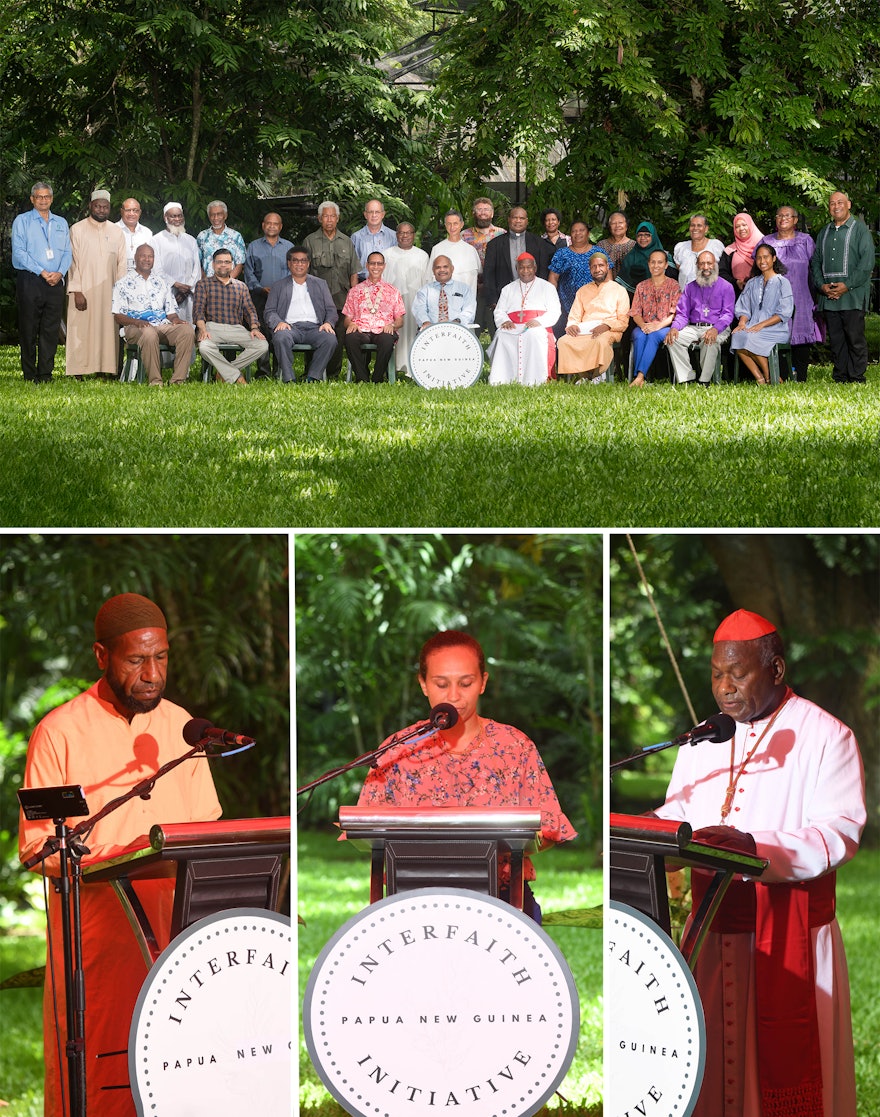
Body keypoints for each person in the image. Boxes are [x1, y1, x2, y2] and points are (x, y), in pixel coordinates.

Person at [653, 608, 865, 1117]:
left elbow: (837, 831)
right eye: (716, 673)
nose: (725, 687)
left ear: (775, 670)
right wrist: (643, 829)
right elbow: (677, 811)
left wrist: (753, 847)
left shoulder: (826, 735)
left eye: (738, 672)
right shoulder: (703, 737)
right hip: (710, 927)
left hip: (788, 933)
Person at [19, 593, 223, 1117]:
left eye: (161, 658)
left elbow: (206, 836)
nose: (152, 674)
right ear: (101, 656)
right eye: (136, 660)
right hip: (98, 944)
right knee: (98, 1074)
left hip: (176, 941)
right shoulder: (59, 732)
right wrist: (113, 856)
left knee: (175, 1074)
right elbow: (37, 846)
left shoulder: (185, 730)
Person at [356, 630, 576, 923]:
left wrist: (502, 845)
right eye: (441, 684)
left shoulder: (515, 746)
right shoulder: (397, 750)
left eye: (465, 683)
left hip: (504, 901)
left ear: (483, 682)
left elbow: (549, 829)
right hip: (411, 902)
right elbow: (364, 828)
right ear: (423, 684)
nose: (454, 696)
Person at [810, 191, 874, 385]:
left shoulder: (860, 230)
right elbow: (816, 262)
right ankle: (840, 376)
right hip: (829, 296)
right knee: (836, 340)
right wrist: (822, 286)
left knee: (854, 338)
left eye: (840, 202)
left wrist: (846, 286)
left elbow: (867, 262)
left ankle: (856, 377)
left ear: (849, 205)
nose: (836, 206)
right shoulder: (824, 231)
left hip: (852, 295)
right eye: (832, 203)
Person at [11, 181, 71, 383]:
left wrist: (60, 273)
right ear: (32, 199)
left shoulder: (61, 223)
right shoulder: (22, 221)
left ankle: (45, 374)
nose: (43, 200)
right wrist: (43, 271)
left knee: (50, 329)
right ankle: (29, 374)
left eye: (47, 197)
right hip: (31, 280)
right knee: (28, 328)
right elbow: (19, 252)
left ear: (52, 199)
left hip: (56, 282)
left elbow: (68, 252)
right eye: (39, 197)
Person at [112, 244, 195, 385]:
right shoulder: (123, 283)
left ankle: (177, 380)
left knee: (187, 330)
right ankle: (156, 381)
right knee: (149, 333)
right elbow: (117, 315)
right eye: (143, 256)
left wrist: (176, 320)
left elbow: (170, 312)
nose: (147, 259)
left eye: (150, 256)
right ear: (136, 258)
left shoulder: (162, 282)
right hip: (134, 327)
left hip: (161, 326)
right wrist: (137, 322)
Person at [66, 190, 128, 378]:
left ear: (110, 209)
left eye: (105, 207)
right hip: (83, 290)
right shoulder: (77, 229)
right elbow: (72, 262)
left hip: (109, 291)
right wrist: (76, 290)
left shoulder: (117, 231)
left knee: (107, 331)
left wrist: (120, 294)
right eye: (97, 206)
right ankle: (78, 370)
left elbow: (122, 264)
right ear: (90, 206)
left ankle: (105, 369)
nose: (101, 210)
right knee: (81, 330)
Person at [756, 205, 822, 381]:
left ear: (795, 220)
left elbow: (815, 268)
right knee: (776, 333)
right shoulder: (766, 242)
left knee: (801, 333)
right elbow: (758, 268)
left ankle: (801, 376)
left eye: (787, 215)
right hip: (774, 297)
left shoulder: (805, 240)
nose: (783, 218)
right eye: (779, 215)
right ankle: (781, 375)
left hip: (801, 295)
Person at [303, 201, 360, 380]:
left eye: (332, 216)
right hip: (316, 299)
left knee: (338, 338)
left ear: (338, 218)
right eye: (325, 216)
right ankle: (311, 373)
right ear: (320, 219)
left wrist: (354, 298)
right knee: (314, 334)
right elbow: (301, 270)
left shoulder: (347, 242)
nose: (329, 220)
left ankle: (333, 374)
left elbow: (353, 272)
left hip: (341, 298)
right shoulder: (310, 241)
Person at [193, 249, 268, 384]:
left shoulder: (241, 286)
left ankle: (224, 373)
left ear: (232, 264)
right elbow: (198, 311)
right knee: (204, 347)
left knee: (262, 345)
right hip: (212, 327)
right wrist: (202, 330)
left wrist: (255, 328)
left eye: (227, 262)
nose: (223, 265)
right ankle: (236, 376)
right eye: (219, 262)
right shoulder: (203, 284)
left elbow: (250, 310)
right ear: (213, 264)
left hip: (236, 328)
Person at [264, 246, 338, 383]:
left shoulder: (320, 284)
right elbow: (269, 311)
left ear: (308, 263)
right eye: (295, 261)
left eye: (303, 261)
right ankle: (289, 378)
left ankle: (313, 377)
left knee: (330, 339)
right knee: (280, 338)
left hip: (315, 328)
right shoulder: (278, 286)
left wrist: (328, 323)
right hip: (290, 328)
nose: (299, 264)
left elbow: (331, 309)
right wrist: (278, 322)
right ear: (289, 263)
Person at [487, 252, 561, 386]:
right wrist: (504, 321)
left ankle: (536, 379)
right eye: (521, 268)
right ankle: (502, 379)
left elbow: (555, 311)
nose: (525, 271)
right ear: (517, 269)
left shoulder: (547, 287)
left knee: (534, 334)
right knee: (502, 335)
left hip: (537, 327)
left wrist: (539, 321)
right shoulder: (508, 289)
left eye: (529, 267)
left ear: (535, 268)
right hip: (513, 326)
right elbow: (499, 310)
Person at [556, 250, 630, 382]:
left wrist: (606, 326)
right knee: (564, 341)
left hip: (610, 329)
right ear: (590, 269)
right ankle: (584, 377)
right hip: (585, 330)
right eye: (594, 266)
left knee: (600, 341)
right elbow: (574, 315)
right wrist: (572, 325)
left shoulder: (619, 290)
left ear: (607, 267)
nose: (598, 269)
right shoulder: (583, 290)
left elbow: (623, 321)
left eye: (601, 265)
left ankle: (597, 376)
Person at [665, 251, 735, 385]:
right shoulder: (690, 287)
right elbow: (682, 314)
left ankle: (704, 381)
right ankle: (687, 378)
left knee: (710, 340)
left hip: (718, 327)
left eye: (709, 263)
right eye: (702, 263)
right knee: (672, 339)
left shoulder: (726, 286)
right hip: (694, 327)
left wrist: (716, 329)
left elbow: (728, 314)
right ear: (697, 265)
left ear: (715, 265)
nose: (706, 267)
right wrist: (674, 328)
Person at [729, 245, 794, 384]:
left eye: (766, 257)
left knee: (751, 338)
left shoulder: (783, 282)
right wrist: (742, 323)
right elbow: (744, 307)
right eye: (758, 257)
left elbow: (785, 312)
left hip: (776, 329)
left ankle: (770, 376)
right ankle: (760, 378)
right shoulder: (752, 283)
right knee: (737, 336)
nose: (762, 261)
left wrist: (762, 325)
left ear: (774, 258)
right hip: (753, 327)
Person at [341, 252, 405, 383]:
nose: (376, 266)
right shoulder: (355, 290)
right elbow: (347, 318)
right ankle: (362, 377)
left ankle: (377, 377)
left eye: (379, 263)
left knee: (387, 340)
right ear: (367, 265)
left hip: (383, 329)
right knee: (350, 337)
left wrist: (392, 325)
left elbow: (400, 319)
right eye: (372, 263)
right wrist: (351, 324)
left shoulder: (393, 291)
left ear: (384, 266)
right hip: (361, 329)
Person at [244, 213, 294, 377]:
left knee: (280, 330)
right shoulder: (253, 246)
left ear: (280, 226)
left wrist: (281, 290)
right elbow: (249, 272)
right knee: (261, 332)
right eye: (268, 223)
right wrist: (259, 288)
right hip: (259, 296)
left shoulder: (288, 247)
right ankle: (263, 371)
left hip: (283, 297)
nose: (272, 226)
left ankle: (279, 369)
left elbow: (293, 271)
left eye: (275, 224)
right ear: (263, 225)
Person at [483, 206, 553, 314]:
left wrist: (542, 295)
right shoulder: (495, 244)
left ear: (527, 221)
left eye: (522, 218)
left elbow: (543, 271)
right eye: (515, 217)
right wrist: (493, 300)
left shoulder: (539, 243)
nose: (518, 221)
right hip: (504, 299)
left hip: (534, 298)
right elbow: (489, 274)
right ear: (509, 219)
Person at [382, 222, 431, 374]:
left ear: (413, 235)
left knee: (411, 331)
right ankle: (393, 366)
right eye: (401, 233)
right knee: (395, 332)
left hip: (414, 300)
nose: (404, 236)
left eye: (408, 233)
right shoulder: (386, 254)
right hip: (392, 303)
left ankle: (412, 366)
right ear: (396, 235)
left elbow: (426, 282)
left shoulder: (422, 255)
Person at [629, 249, 681, 386]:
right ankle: (641, 378)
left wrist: (658, 326)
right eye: (653, 262)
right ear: (648, 264)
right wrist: (643, 326)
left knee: (653, 336)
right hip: (644, 325)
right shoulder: (641, 286)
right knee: (639, 336)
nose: (656, 265)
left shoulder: (674, 285)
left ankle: (639, 377)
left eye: (660, 262)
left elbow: (674, 313)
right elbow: (635, 312)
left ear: (666, 265)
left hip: (664, 326)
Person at [547, 220, 600, 339]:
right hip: (566, 305)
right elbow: (553, 278)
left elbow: (607, 280)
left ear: (588, 233)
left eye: (581, 230)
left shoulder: (598, 252)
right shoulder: (562, 253)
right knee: (567, 339)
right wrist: (552, 300)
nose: (578, 233)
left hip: (593, 305)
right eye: (574, 231)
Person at [149, 203, 201, 323]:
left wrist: (187, 290)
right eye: (173, 216)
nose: (177, 219)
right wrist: (176, 285)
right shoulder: (156, 240)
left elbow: (196, 268)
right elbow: (156, 269)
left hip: (188, 295)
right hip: (167, 292)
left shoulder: (191, 240)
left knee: (189, 328)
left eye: (180, 216)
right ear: (165, 218)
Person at [462, 197, 505, 337]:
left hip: (496, 287)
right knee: (472, 326)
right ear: (474, 213)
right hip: (472, 288)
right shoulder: (464, 235)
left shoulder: (502, 234)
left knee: (497, 328)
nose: (483, 213)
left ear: (492, 213)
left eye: (486, 209)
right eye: (479, 210)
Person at [426, 210, 482, 296]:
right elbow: (429, 278)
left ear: (462, 224)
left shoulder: (471, 250)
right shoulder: (437, 249)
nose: (452, 227)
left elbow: (479, 275)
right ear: (445, 225)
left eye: (455, 223)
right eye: (449, 224)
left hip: (467, 304)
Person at [412, 255, 477, 329]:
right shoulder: (424, 290)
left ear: (452, 268)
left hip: (458, 331)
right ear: (433, 270)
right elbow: (419, 309)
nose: (442, 270)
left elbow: (469, 310)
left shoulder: (464, 289)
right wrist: (426, 322)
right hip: (431, 331)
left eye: (445, 266)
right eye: (438, 267)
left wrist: (457, 321)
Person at [673, 214, 725, 290]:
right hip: (685, 297)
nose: (695, 228)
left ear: (706, 228)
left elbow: (723, 271)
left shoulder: (716, 246)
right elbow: (679, 270)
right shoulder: (681, 248)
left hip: (710, 295)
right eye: (692, 225)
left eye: (699, 225)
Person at [196, 201, 245, 279]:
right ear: (209, 217)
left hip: (230, 286)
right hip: (208, 286)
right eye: (212, 215)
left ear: (225, 216)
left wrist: (226, 282)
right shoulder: (202, 236)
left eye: (219, 214)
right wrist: (206, 282)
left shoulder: (236, 236)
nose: (215, 218)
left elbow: (240, 264)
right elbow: (197, 263)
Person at [617, 221, 668, 294]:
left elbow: (672, 280)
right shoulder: (630, 257)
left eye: (647, 235)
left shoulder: (665, 256)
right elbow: (622, 285)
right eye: (639, 235)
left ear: (653, 236)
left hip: (662, 297)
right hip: (636, 298)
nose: (643, 238)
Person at [350, 199, 397, 278]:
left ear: (383, 214)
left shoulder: (393, 237)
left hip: (387, 284)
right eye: (371, 212)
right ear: (365, 215)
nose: (374, 215)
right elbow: (353, 268)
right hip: (363, 284)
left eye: (377, 212)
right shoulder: (356, 237)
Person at [720, 213, 764, 293]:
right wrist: (736, 282)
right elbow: (722, 273)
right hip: (737, 294)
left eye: (744, 225)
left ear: (751, 225)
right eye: (737, 226)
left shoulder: (763, 246)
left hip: (762, 291)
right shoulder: (730, 250)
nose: (741, 228)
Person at [116, 198, 153, 273]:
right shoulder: (113, 230)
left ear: (140, 212)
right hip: (117, 278)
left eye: (135, 210)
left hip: (141, 279)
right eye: (128, 210)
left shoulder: (147, 232)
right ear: (121, 211)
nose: (131, 214)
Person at [595, 211, 636, 276]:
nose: (617, 226)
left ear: (626, 225)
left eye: (620, 222)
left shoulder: (634, 246)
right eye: (613, 223)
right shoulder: (601, 245)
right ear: (609, 226)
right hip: (606, 284)